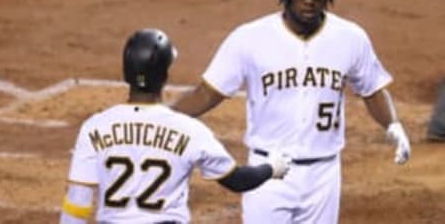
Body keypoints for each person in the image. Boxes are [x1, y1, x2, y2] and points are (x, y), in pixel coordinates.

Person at [171, 0, 411, 224]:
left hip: (324, 175)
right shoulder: (250, 39)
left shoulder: (350, 38)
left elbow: (372, 88)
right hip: (268, 173)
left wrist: (393, 125)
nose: (309, 1)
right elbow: (207, 93)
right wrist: (162, 116)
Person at [60, 28, 292, 224]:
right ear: (164, 76)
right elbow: (239, 180)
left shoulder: (95, 127)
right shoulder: (189, 129)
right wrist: (272, 167)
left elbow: (77, 203)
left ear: (126, 73)